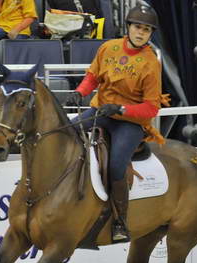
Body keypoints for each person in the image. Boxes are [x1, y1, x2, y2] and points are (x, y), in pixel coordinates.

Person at [66, 4, 168, 243]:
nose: (141, 33)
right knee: (69, 131)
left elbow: (152, 107)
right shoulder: (108, 48)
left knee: (116, 166)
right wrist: (80, 93)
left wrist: (122, 109)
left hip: (129, 123)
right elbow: (92, 76)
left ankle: (120, 221)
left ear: (151, 34)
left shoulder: (151, 63)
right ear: (128, 27)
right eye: (138, 27)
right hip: (100, 110)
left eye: (147, 30)